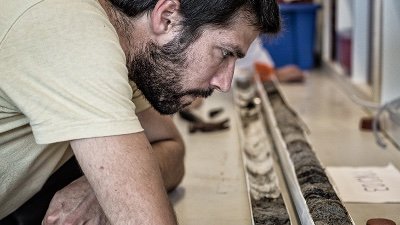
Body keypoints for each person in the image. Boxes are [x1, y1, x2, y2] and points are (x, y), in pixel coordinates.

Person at [0, 0, 281, 224]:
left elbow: (171, 149)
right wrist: (122, 188)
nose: (225, 82)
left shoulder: (131, 54)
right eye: (224, 53)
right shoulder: (72, 31)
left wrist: (106, 188)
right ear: (167, 16)